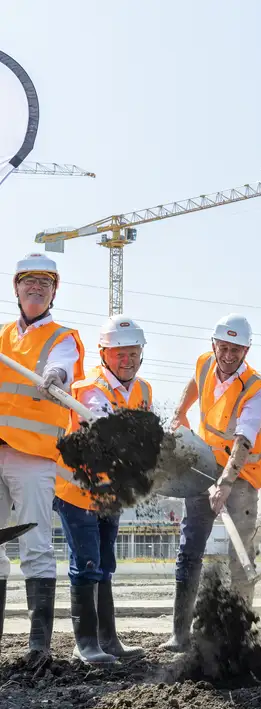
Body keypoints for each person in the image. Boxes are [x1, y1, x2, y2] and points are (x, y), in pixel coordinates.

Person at [161, 314, 261, 652]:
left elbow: (245, 440)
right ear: (214, 345)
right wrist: (180, 413)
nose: (228, 356)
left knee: (239, 554)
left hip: (241, 477)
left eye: (236, 350)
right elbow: (195, 384)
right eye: (223, 348)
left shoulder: (256, 390)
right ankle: (180, 634)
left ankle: (238, 636)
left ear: (247, 349)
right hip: (203, 467)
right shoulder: (204, 363)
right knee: (190, 549)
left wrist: (226, 483)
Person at [0, 253, 85, 659]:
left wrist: (55, 376)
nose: (36, 289)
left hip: (32, 459)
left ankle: (38, 648)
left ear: (54, 292)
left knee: (34, 545)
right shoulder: (2, 337)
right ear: (15, 288)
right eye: (28, 282)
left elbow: (63, 365)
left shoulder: (61, 338)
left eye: (45, 284)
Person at [55, 316, 151, 664]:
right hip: (78, 491)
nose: (127, 360)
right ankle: (86, 644)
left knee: (105, 564)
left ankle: (108, 640)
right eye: (119, 354)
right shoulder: (90, 385)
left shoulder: (143, 390)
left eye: (133, 353)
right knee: (86, 563)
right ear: (103, 353)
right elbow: (98, 415)